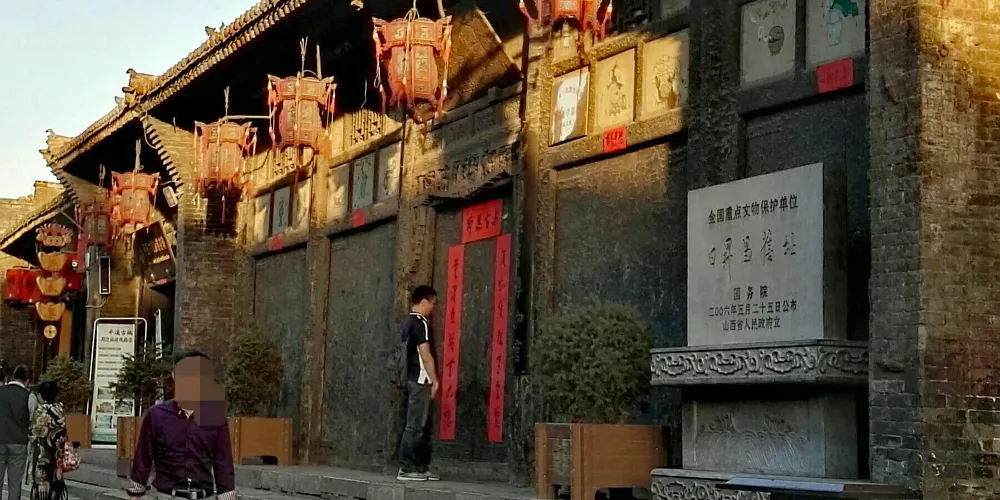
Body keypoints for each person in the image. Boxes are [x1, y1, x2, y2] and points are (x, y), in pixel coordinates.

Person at [127, 351, 235, 500]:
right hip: (166, 495)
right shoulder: (156, 415)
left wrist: (227, 496)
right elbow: (143, 457)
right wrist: (135, 494)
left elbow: (223, 463)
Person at [396, 285, 440, 482]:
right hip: (420, 379)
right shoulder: (421, 323)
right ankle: (407, 467)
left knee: (418, 424)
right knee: (415, 425)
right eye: (432, 303)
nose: (433, 308)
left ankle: (420, 466)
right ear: (424, 302)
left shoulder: (406, 323)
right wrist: (434, 379)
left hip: (409, 379)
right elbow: (425, 354)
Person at [28, 381, 67, 500]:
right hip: (57, 455)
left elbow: (32, 434)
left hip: (42, 455)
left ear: (41, 395)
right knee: (55, 488)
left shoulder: (41, 411)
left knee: (41, 490)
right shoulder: (60, 409)